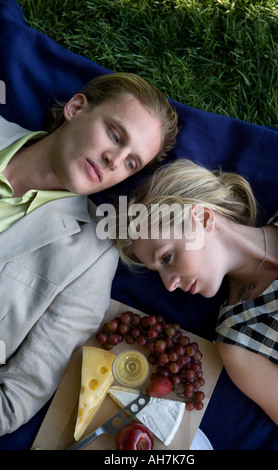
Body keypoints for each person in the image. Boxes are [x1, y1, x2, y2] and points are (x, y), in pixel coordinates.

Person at [0, 72, 178, 436]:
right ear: (76, 108)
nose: (114, 161)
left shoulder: (92, 256)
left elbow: (14, 399)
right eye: (115, 135)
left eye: (131, 163)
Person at [115, 158, 278, 446]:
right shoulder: (239, 343)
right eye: (159, 272)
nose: (168, 284)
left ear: (202, 219)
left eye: (166, 257)